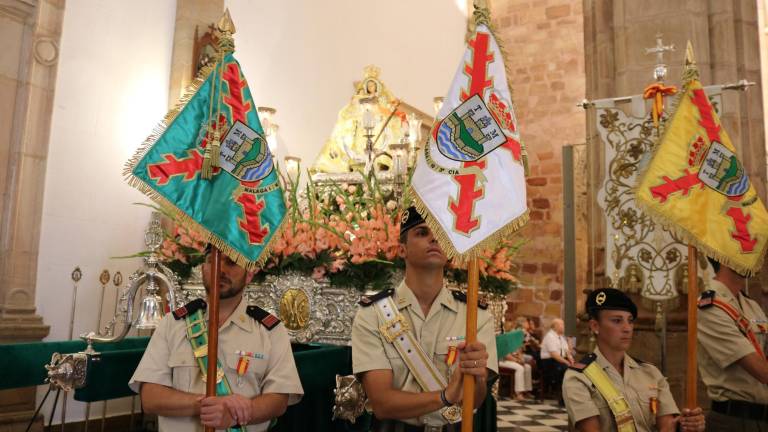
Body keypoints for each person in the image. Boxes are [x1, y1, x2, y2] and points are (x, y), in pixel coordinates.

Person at [351, 207, 498, 431]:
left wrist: (476, 378)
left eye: (441, 234)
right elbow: (382, 404)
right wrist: (446, 396)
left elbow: (475, 400)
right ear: (402, 250)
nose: (433, 238)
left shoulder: (475, 315)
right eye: (422, 232)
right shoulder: (372, 314)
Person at [129, 248, 304, 431]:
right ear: (203, 268)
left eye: (231, 262)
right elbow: (150, 397)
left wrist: (238, 414)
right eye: (213, 260)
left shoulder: (270, 331)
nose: (220, 269)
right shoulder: (173, 324)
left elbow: (279, 400)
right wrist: (208, 405)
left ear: (249, 273)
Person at [563, 288, 705, 432]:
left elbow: (667, 427)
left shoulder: (651, 373)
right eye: (617, 321)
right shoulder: (579, 378)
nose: (627, 328)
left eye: (630, 321)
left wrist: (684, 424)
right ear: (595, 326)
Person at [697, 257, 768, 430]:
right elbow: (761, 371)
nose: (757, 258)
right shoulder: (710, 306)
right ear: (726, 257)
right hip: (733, 421)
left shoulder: (751, 305)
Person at [540, 318, 572, 399]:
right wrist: (567, 362)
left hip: (559, 361)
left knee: (574, 369)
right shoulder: (550, 336)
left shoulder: (561, 337)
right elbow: (554, 354)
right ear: (555, 326)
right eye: (562, 325)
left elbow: (567, 351)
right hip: (549, 362)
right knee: (566, 369)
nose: (564, 327)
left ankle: (569, 396)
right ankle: (562, 398)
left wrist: (571, 359)